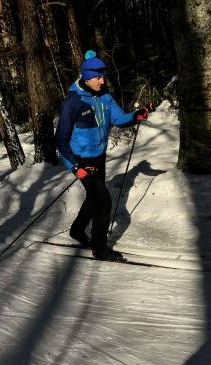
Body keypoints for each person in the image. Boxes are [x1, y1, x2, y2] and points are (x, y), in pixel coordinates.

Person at [55, 52, 152, 261]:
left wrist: (137, 116)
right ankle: (100, 249)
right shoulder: (73, 102)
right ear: (87, 77)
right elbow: (61, 140)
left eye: (103, 76)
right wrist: (74, 167)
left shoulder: (105, 96)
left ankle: (77, 230)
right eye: (98, 77)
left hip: (99, 156)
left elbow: (120, 119)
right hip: (81, 160)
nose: (102, 80)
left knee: (94, 197)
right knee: (104, 202)